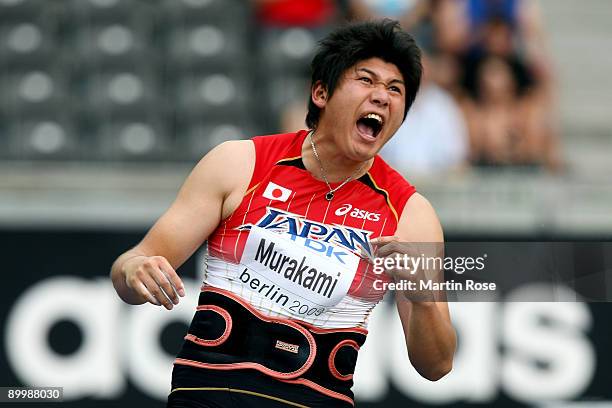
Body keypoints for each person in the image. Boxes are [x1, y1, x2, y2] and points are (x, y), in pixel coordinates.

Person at [110, 19, 456, 407]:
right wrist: (133, 270)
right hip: (210, 395)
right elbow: (132, 267)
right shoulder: (240, 163)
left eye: (396, 89)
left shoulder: (410, 213)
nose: (382, 96)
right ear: (321, 92)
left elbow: (437, 365)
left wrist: (424, 298)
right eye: (366, 80)